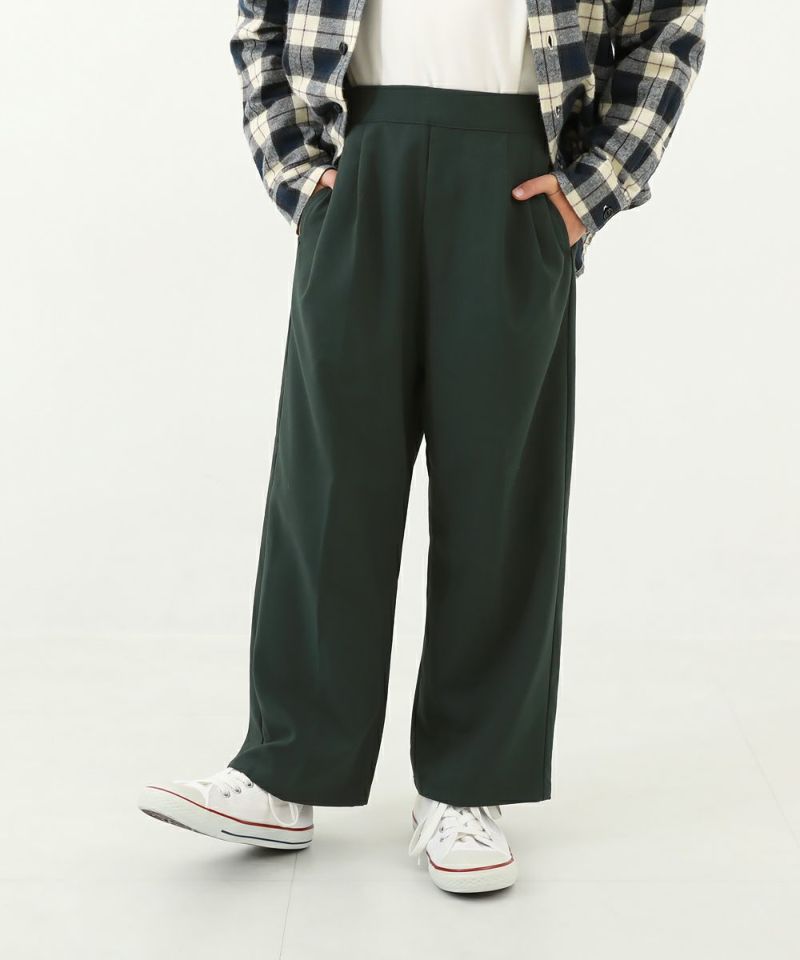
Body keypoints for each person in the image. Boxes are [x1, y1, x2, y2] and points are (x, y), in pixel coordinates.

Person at [139, 0, 706, 894]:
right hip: (359, 157)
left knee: (499, 489)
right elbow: (260, 22)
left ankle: (467, 783)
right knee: (328, 478)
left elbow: (669, 23)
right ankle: (287, 769)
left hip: (518, 168)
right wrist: (296, 175)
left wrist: (590, 191)